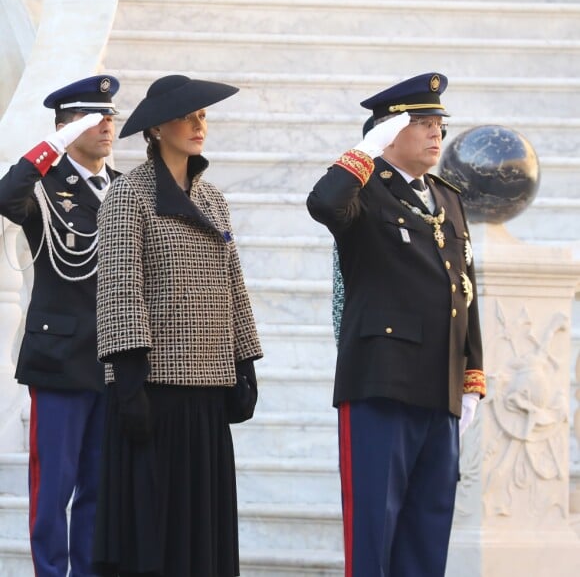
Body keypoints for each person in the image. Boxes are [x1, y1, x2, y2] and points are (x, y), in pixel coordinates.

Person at [306, 72, 486, 577]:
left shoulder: (447, 197)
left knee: (427, 533)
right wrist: (366, 150)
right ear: (389, 132)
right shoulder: (363, 191)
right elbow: (323, 203)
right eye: (423, 124)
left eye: (439, 125)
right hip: (381, 385)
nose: (436, 135)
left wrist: (472, 373)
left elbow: (464, 287)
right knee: (373, 534)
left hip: (440, 386)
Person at [92, 74, 263, 577]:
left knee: (201, 536)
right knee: (153, 534)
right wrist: (128, 384)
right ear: (157, 128)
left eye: (202, 115)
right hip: (151, 389)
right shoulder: (128, 195)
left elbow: (233, 283)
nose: (198, 125)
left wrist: (245, 363)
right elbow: (121, 289)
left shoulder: (212, 198)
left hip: (207, 391)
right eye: (187, 116)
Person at [0, 75, 121, 576]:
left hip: (113, 358)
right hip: (59, 359)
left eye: (110, 116)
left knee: (99, 486)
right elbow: (7, 198)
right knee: (54, 486)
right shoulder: (47, 189)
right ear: (67, 127)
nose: (107, 126)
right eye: (93, 118)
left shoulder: (124, 189)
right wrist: (48, 150)